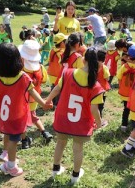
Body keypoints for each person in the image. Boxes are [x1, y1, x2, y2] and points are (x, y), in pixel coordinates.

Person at [46, 47, 105, 185]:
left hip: (62, 118)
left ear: (83, 60)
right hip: (81, 122)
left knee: (60, 143)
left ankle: (55, 170)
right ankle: (75, 176)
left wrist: (47, 100)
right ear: (100, 65)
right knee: (78, 148)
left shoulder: (68, 73)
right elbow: (94, 109)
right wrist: (99, 122)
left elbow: (56, 89)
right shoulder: (95, 85)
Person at [0, 43, 51, 177]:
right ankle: (11, 166)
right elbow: (33, 92)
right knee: (14, 140)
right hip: (17, 115)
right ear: (18, 60)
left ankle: (6, 154)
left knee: (7, 133)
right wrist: (43, 103)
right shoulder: (23, 77)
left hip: (4, 114)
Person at [19, 38, 53, 148]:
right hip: (35, 98)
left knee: (22, 119)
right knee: (33, 115)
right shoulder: (41, 68)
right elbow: (44, 80)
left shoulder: (20, 70)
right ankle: (44, 132)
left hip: (21, 99)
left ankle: (24, 141)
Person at [117, 45, 135, 132]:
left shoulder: (125, 66)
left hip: (125, 93)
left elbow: (119, 77)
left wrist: (121, 85)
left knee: (126, 109)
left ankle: (124, 125)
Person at [47, 33, 67, 107]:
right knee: (58, 89)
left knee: (53, 87)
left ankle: (53, 102)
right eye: (65, 41)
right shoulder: (62, 52)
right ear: (62, 43)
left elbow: (49, 60)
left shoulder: (52, 50)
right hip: (57, 74)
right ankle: (56, 104)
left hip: (51, 73)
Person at [96, 49, 110, 127]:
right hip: (102, 90)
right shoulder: (104, 67)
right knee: (100, 106)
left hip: (93, 89)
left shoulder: (92, 65)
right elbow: (107, 78)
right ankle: (99, 120)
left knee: (93, 105)